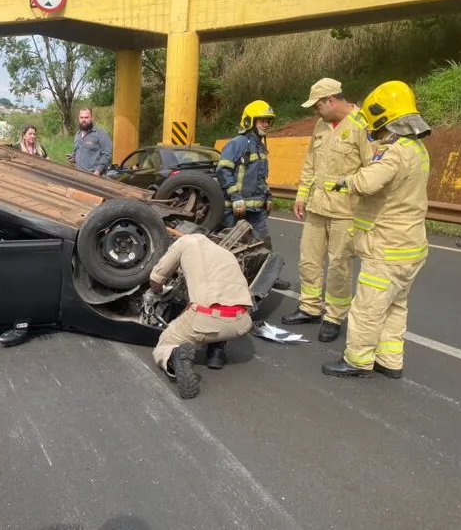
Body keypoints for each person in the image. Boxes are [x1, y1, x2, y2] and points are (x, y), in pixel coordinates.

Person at [322, 80, 431, 379]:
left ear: (385, 120)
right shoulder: (418, 149)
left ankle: (357, 361)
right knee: (396, 307)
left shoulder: (395, 152)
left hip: (387, 248)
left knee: (368, 308)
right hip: (411, 248)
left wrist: (346, 182)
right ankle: (390, 361)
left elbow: (369, 182)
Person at [281, 78, 374, 343]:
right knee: (308, 259)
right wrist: (301, 195)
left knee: (339, 266)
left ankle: (334, 316)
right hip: (317, 206)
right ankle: (309, 307)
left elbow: (372, 170)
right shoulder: (321, 125)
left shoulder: (361, 125)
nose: (314, 111)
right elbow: (310, 163)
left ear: (330, 100)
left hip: (345, 211)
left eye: (317, 106)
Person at [144, 233, 253, 399]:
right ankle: (216, 352)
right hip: (242, 322)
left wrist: (155, 291)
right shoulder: (227, 254)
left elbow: (156, 277)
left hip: (205, 320)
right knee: (219, 305)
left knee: (166, 342)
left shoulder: (185, 242)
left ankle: (174, 356)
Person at [216, 100, 291, 289]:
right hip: (235, 210)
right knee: (229, 247)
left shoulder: (260, 146)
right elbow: (222, 170)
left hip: (256, 209)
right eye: (262, 120)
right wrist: (235, 197)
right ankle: (224, 283)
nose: (266, 124)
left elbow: (260, 177)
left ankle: (269, 278)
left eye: (268, 121)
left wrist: (268, 196)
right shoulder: (237, 143)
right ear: (250, 121)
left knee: (263, 243)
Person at [71, 107, 112, 176]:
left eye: (86, 117)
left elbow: (106, 155)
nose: (83, 120)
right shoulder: (77, 134)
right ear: (79, 119)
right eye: (81, 117)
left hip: (94, 176)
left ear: (92, 118)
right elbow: (77, 151)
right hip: (78, 175)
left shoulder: (101, 134)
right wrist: (73, 157)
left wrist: (97, 172)